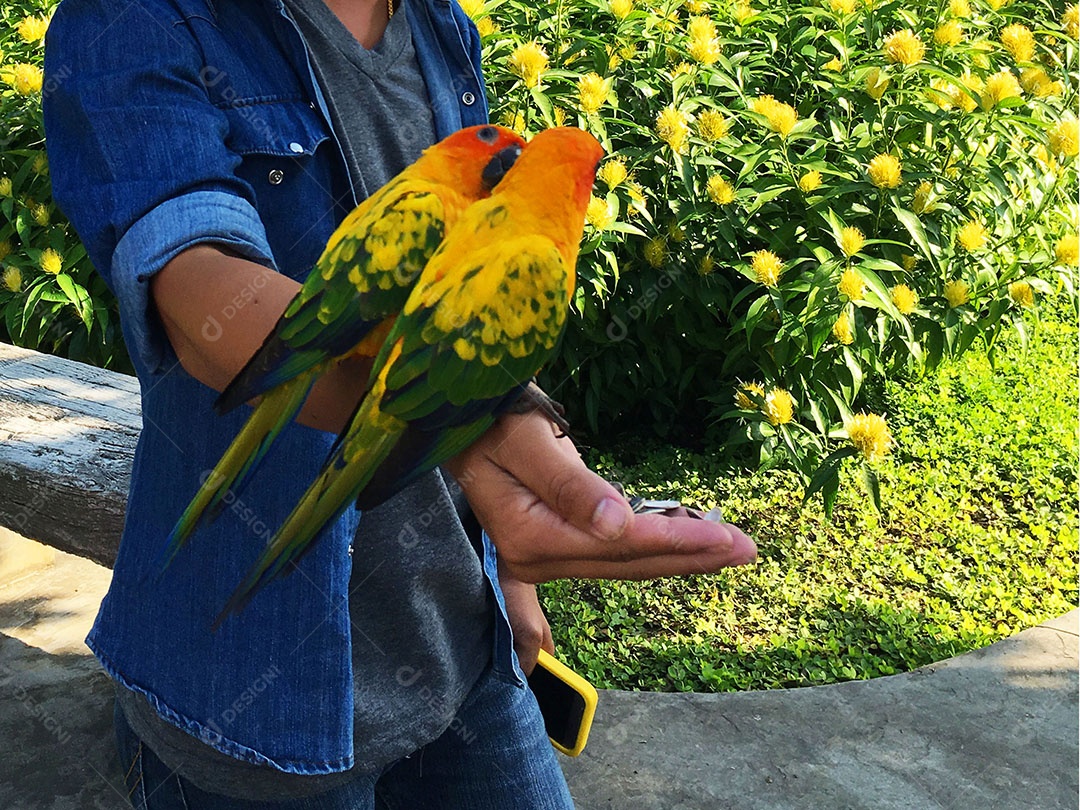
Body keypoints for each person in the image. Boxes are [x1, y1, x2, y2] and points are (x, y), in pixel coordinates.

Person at [42, 0, 758, 806]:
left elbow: (474, 275)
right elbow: (192, 283)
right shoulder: (134, 18)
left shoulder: (440, 21)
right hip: (248, 693)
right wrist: (457, 416)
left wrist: (511, 589)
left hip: (465, 645)